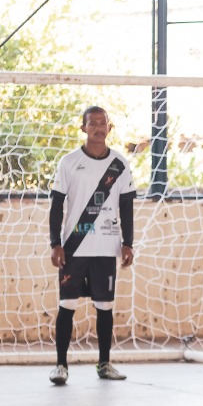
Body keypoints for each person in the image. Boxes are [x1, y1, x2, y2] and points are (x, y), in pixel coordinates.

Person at [48, 106, 136, 384]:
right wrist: (55, 243)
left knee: (105, 307)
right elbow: (56, 204)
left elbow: (127, 206)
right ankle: (61, 366)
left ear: (109, 127)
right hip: (74, 248)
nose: (98, 127)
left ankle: (104, 364)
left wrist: (128, 243)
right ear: (83, 128)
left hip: (106, 248)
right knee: (67, 304)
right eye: (92, 123)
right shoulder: (69, 162)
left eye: (103, 123)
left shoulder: (120, 164)